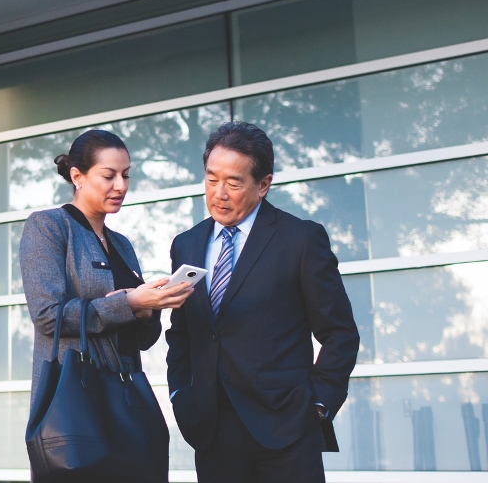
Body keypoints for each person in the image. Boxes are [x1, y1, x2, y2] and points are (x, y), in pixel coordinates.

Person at [166, 121, 360, 483]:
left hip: (286, 431)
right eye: (211, 179)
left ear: (264, 185)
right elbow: (183, 334)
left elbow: (339, 334)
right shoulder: (186, 244)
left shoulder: (301, 240)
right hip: (211, 431)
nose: (219, 193)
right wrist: (181, 395)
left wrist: (318, 406)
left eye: (234, 183)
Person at [20, 129, 195, 467]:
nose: (121, 186)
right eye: (109, 175)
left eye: (126, 175)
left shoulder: (123, 244)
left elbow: (143, 341)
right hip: (77, 401)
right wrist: (128, 303)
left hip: (127, 397)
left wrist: (147, 310)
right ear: (77, 176)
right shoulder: (48, 226)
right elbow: (47, 316)